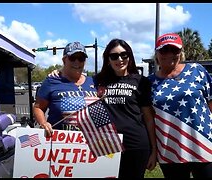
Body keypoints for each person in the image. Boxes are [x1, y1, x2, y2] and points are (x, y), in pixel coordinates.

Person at [48, 39, 157, 178]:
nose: (120, 59)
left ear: (129, 57)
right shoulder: (96, 80)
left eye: (124, 55)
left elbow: (148, 118)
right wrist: (59, 71)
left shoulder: (141, 81)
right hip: (105, 144)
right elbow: (75, 76)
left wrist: (153, 150)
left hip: (136, 145)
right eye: (114, 56)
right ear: (108, 59)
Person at [148, 32, 212, 178]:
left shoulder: (197, 70)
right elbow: (149, 119)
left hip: (204, 145)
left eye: (175, 50)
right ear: (156, 53)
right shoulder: (148, 82)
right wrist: (153, 150)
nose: (169, 54)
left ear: (181, 52)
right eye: (164, 50)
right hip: (169, 150)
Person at [33, 41, 99, 137]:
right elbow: (38, 107)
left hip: (90, 143)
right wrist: (43, 123)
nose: (77, 62)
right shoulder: (51, 82)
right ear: (64, 60)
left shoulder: (94, 81)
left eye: (81, 58)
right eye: (72, 58)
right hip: (61, 143)